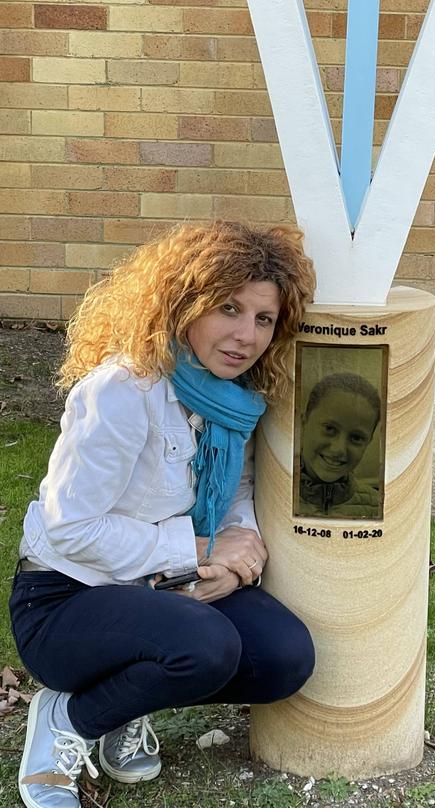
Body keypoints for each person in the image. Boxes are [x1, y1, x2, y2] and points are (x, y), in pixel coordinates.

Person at [9, 219, 317, 808]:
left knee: (284, 657)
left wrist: (236, 556)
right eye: (228, 308)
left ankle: (129, 699)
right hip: (68, 599)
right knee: (206, 646)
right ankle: (68, 718)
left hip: (172, 588)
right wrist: (199, 552)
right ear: (183, 305)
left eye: (263, 319)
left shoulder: (235, 397)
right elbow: (70, 527)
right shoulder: (122, 390)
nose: (245, 336)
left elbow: (237, 491)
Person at [297, 372, 382, 520]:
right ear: (303, 424)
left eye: (356, 437)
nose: (339, 449)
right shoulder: (272, 494)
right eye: (329, 429)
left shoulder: (377, 506)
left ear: (368, 442)